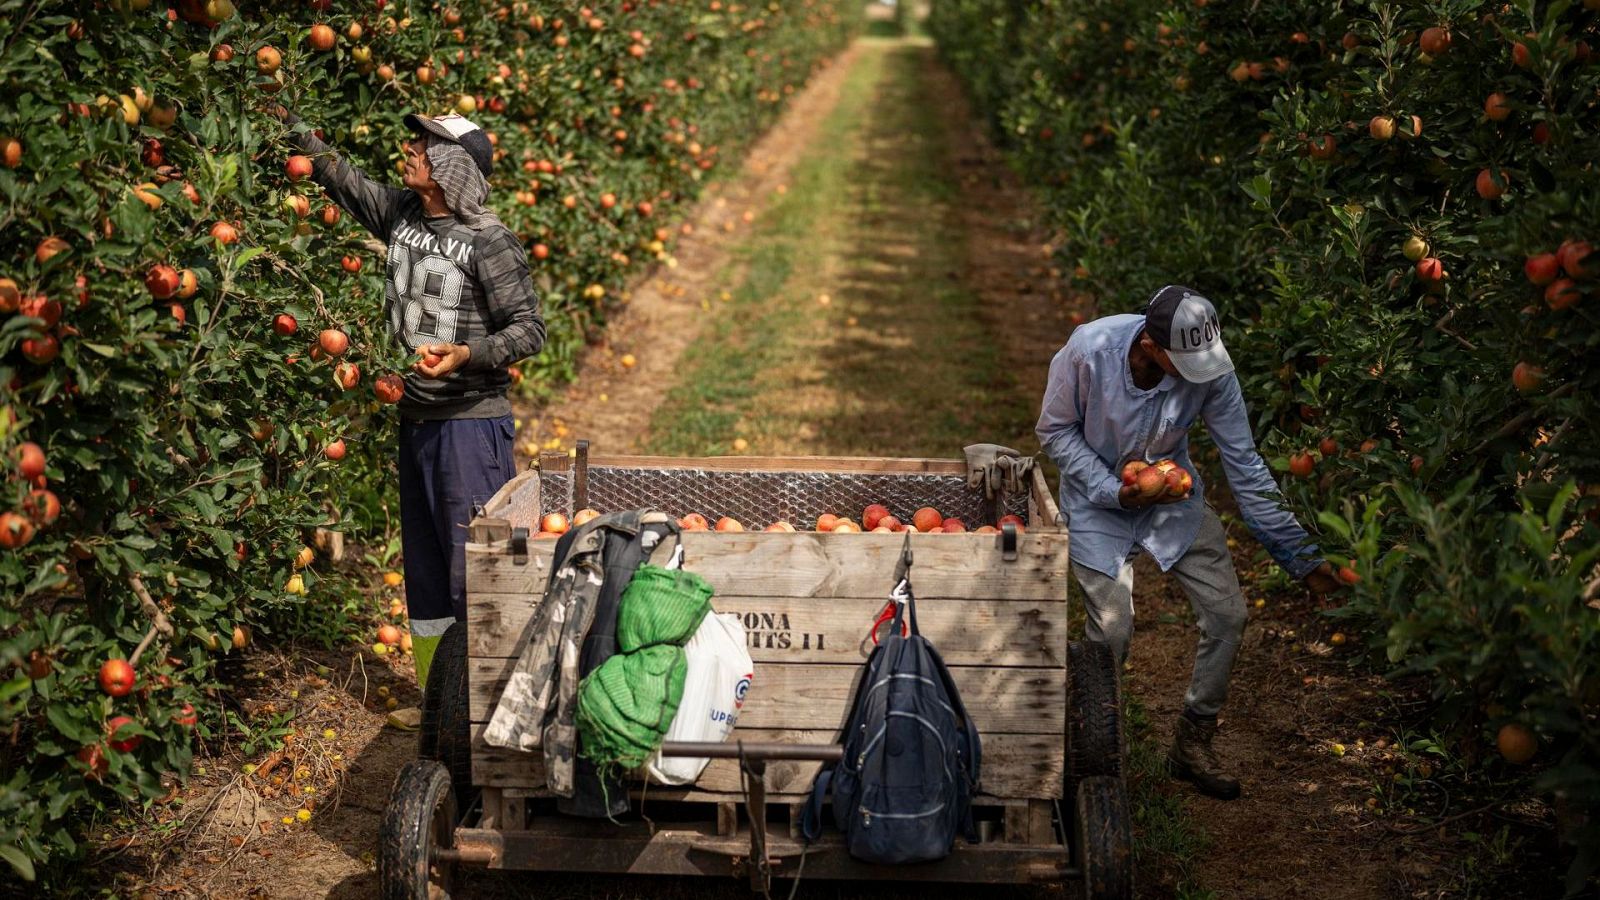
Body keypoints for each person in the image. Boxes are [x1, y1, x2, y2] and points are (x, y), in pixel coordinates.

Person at [270, 105, 546, 711]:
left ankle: (483, 709)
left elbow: (530, 330)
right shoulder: (401, 213)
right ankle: (438, 709)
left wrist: (468, 353)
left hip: (469, 425)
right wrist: (286, 120)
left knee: (470, 572)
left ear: (452, 165)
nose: (410, 148)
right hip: (417, 421)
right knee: (423, 575)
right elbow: (338, 176)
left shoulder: (488, 242)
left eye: (425, 144)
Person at [1036, 285, 1339, 800]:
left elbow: (1245, 467)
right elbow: (1055, 431)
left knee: (1228, 615)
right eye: (1186, 361)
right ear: (1151, 347)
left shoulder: (1213, 372)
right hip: (1096, 498)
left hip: (1173, 494)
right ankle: (1086, 749)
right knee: (1111, 634)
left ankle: (1192, 743)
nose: (1200, 371)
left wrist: (1303, 560)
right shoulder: (1090, 350)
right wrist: (1114, 490)